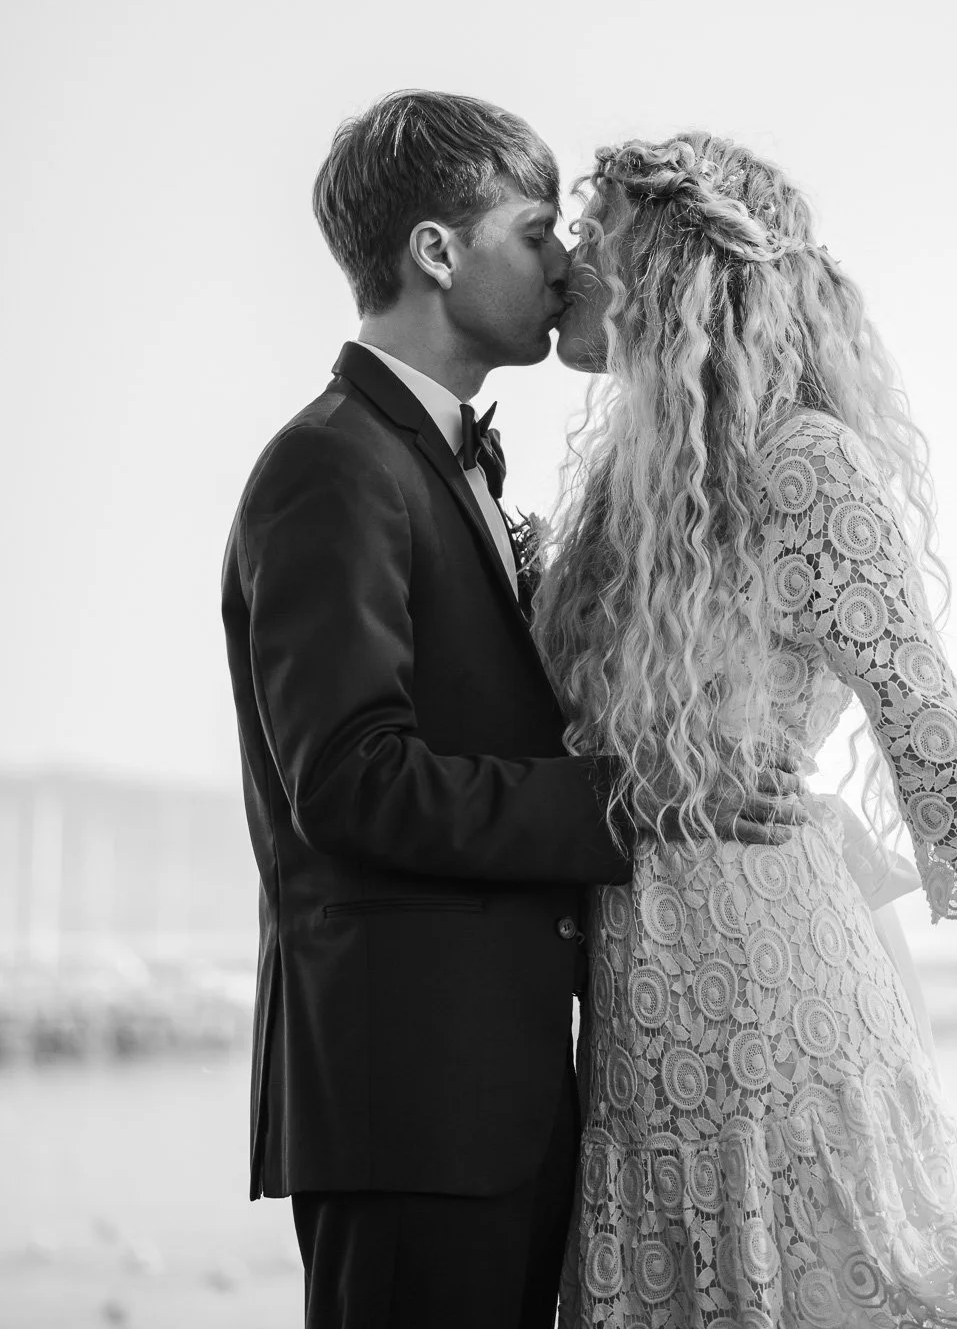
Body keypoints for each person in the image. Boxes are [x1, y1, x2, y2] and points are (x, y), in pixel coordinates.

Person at [537, 130, 957, 1329]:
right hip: (637, 1005)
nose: (567, 257)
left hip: (772, 987)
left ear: (676, 268)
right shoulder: (619, 500)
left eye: (598, 231)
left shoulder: (806, 467)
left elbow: (941, 761)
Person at [220, 91, 802, 1329]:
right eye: (536, 233)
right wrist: (630, 800)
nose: (567, 263)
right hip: (410, 1101)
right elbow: (354, 781)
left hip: (503, 1095)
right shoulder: (331, 467)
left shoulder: (439, 461)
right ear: (437, 251)